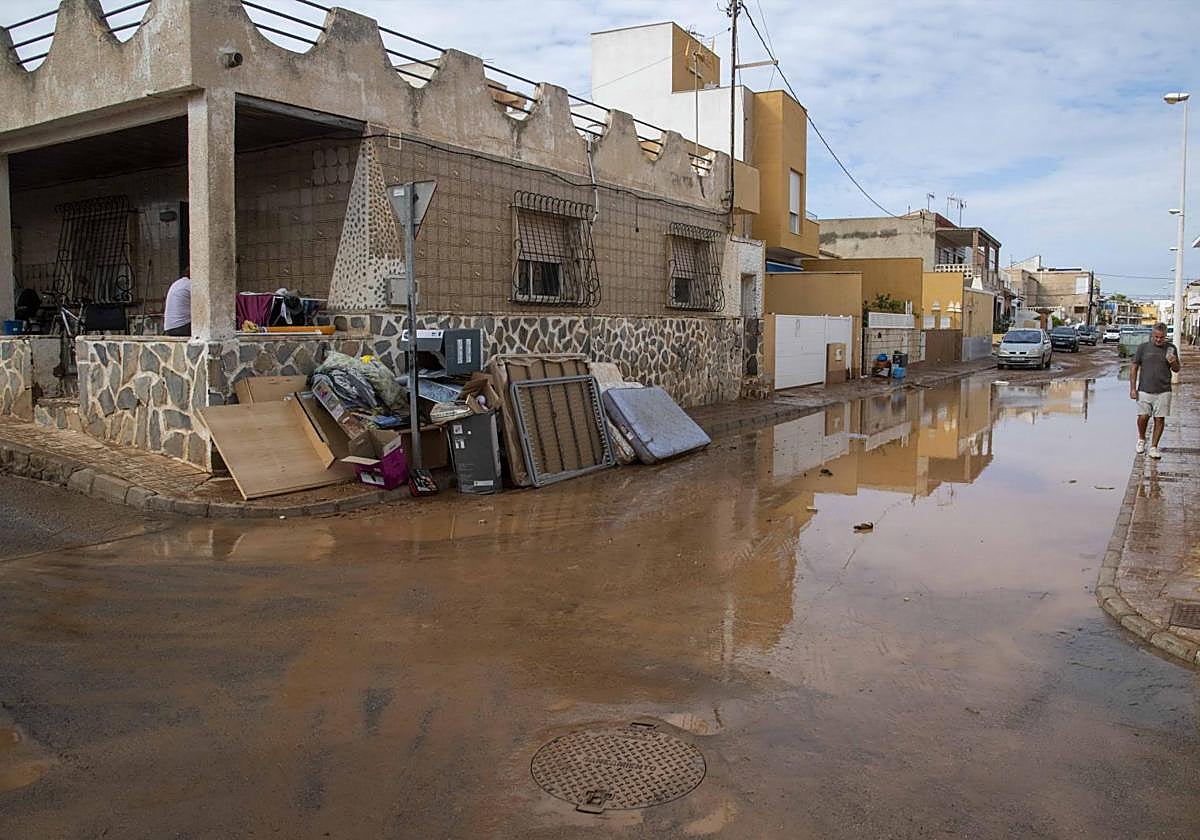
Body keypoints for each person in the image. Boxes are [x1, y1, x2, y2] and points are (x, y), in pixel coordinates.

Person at [1130, 322, 1180, 459]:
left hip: (1164, 390)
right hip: (1145, 389)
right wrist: (1133, 388)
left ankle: (1154, 447)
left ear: (1165, 336)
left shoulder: (1171, 349)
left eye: (1161, 337)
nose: (1158, 340)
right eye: (1156, 337)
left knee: (1159, 419)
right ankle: (1141, 439)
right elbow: (1134, 367)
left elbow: (1177, 369)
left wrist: (1173, 361)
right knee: (1143, 417)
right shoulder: (1143, 348)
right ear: (1152, 335)